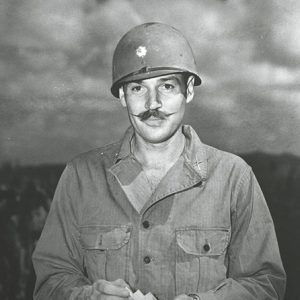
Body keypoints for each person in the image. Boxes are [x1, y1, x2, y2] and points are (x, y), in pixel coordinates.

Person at [32, 22, 286, 300]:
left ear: (188, 90)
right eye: (137, 89)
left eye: (166, 86)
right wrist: (89, 297)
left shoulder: (233, 176)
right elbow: (50, 282)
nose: (152, 104)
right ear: (122, 97)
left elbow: (265, 284)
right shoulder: (81, 176)